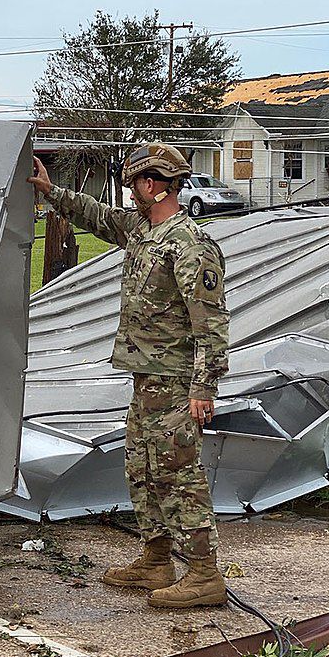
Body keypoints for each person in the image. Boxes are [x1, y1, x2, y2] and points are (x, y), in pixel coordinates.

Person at [27, 144, 230, 609]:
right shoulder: (144, 230)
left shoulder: (189, 245)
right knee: (141, 469)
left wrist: (204, 388)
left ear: (152, 184)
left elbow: (211, 324)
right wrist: (50, 191)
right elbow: (99, 217)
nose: (128, 191)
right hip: (147, 380)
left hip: (177, 383)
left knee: (178, 474)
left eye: (133, 183)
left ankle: (204, 573)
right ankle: (157, 559)